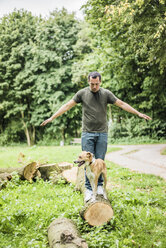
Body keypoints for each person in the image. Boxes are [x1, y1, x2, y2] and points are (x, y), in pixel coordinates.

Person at [40, 71, 151, 202]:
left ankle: (99, 188)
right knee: (87, 164)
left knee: (100, 162)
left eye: (96, 84)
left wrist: (138, 113)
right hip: (87, 133)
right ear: (88, 82)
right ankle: (88, 189)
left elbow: (121, 104)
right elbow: (67, 105)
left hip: (102, 133)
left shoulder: (106, 94)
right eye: (92, 84)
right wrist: (52, 117)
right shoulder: (82, 93)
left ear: (100, 82)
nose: (94, 87)